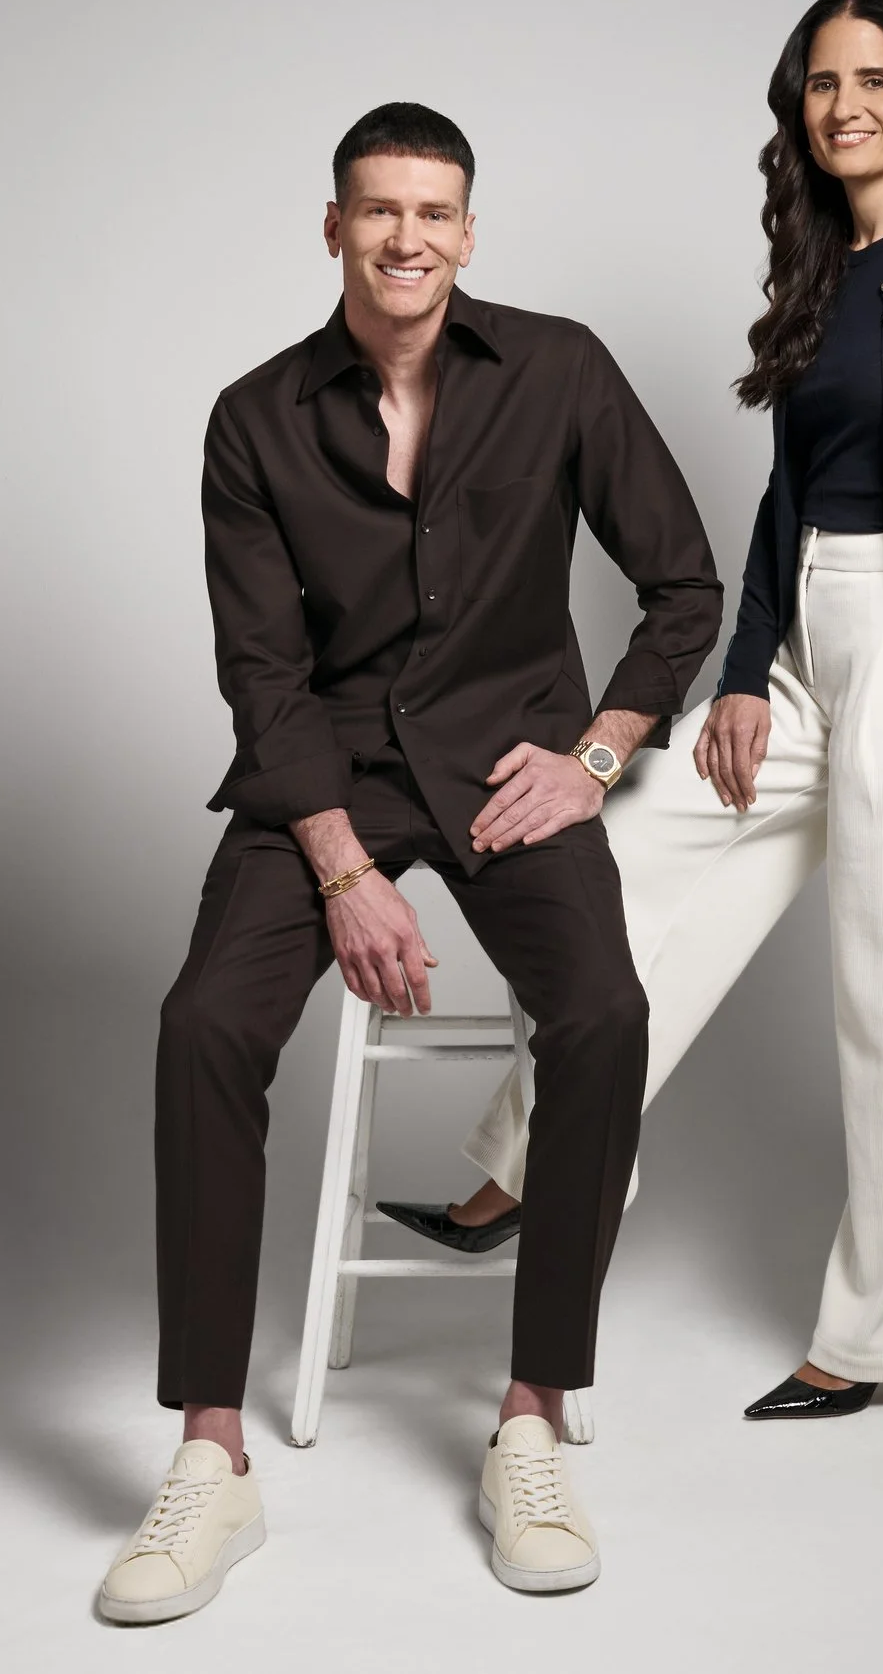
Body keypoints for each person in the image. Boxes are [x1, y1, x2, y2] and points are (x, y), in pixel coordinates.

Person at [380, 0, 883, 1419]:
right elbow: (785, 500)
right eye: (823, 83)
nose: (846, 106)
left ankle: (880, 1338)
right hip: (809, 640)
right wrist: (745, 673)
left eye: (873, 78)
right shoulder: (823, 268)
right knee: (625, 862)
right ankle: (531, 1157)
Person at [97, 102, 721, 1619]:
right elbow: (262, 670)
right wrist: (337, 865)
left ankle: (531, 1420)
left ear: (469, 231)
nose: (406, 238)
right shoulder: (255, 418)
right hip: (330, 778)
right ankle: (210, 1456)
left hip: (515, 773)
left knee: (606, 1016)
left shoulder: (559, 370)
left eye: (434, 212)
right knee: (205, 1025)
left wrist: (592, 761)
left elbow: (684, 588)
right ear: (334, 228)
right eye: (379, 210)